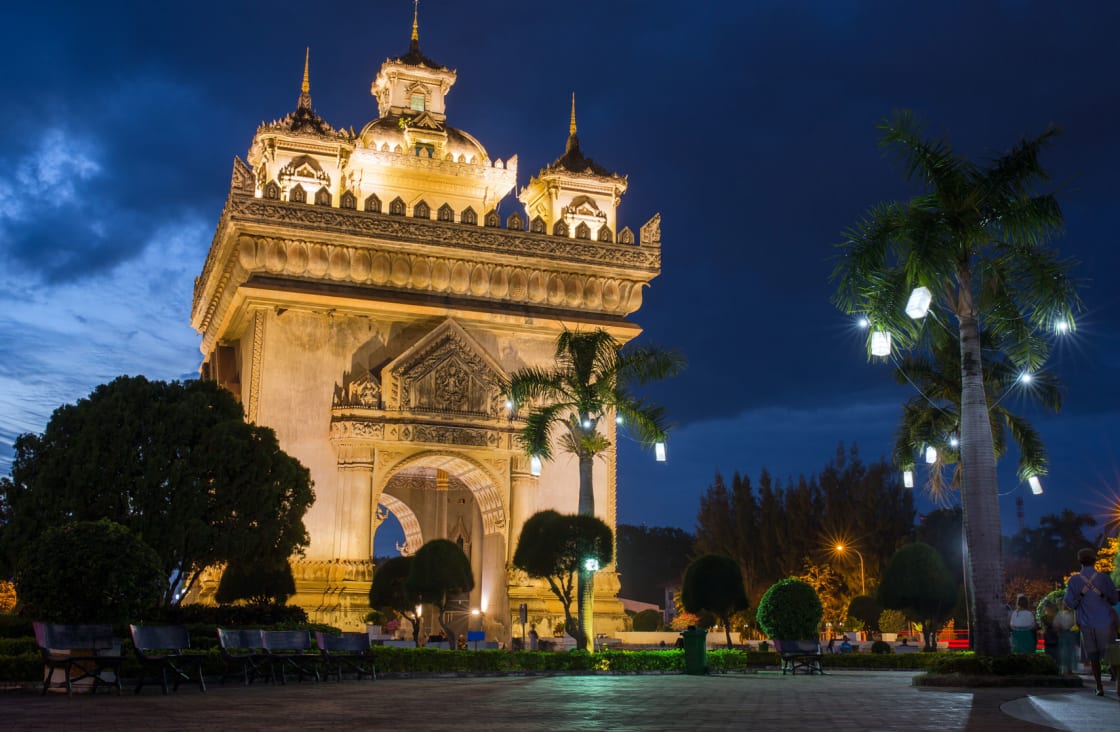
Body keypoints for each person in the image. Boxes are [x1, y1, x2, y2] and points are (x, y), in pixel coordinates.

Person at [1063, 547, 1120, 696]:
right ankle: (1119, 685)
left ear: (1080, 561)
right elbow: (1114, 599)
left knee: (1094, 657)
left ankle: (1099, 687)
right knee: (1112, 656)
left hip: (1086, 624)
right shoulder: (1104, 578)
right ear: (1095, 560)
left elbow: (1069, 603)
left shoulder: (1074, 580)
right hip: (1105, 623)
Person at [1052, 598, 1078, 674]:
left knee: (1069, 652)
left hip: (1070, 634)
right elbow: (1055, 625)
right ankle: (1063, 668)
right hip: (1063, 634)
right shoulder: (1059, 614)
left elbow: (1075, 624)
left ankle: (1069, 669)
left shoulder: (1071, 613)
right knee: (1063, 652)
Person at [1040, 599, 1059, 664]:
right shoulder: (1054, 617)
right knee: (1053, 653)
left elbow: (1043, 628)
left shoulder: (1044, 618)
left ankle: (1050, 665)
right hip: (1051, 637)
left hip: (1049, 637)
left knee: (1050, 653)